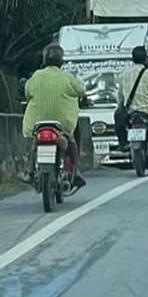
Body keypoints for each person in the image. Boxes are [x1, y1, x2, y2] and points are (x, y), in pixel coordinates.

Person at [22, 43, 88, 188]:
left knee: (34, 143)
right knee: (71, 141)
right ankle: (75, 171)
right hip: (62, 123)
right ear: (61, 61)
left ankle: (29, 171)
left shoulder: (36, 76)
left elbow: (27, 93)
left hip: (37, 122)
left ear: (44, 60)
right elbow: (81, 91)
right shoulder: (67, 77)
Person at [115, 46, 148, 150]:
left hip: (130, 112)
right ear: (146, 59)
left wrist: (121, 107)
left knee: (118, 117)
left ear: (132, 59)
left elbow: (120, 97)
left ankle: (123, 143)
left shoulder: (124, 74)